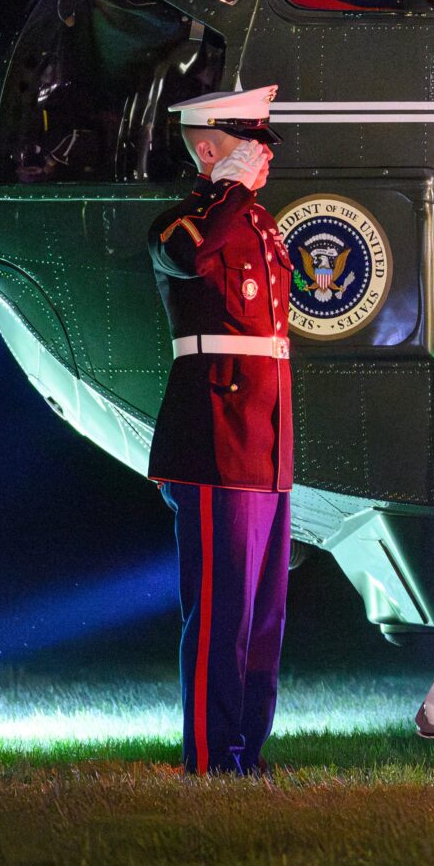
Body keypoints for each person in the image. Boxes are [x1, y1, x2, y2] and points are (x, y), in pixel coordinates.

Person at [148, 85, 293, 777]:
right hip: (214, 432)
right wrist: (225, 191)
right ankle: (211, 757)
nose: (261, 151)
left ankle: (247, 751)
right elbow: (190, 256)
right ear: (209, 148)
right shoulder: (187, 221)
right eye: (245, 140)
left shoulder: (259, 223)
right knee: (219, 613)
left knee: (263, 618)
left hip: (262, 438)